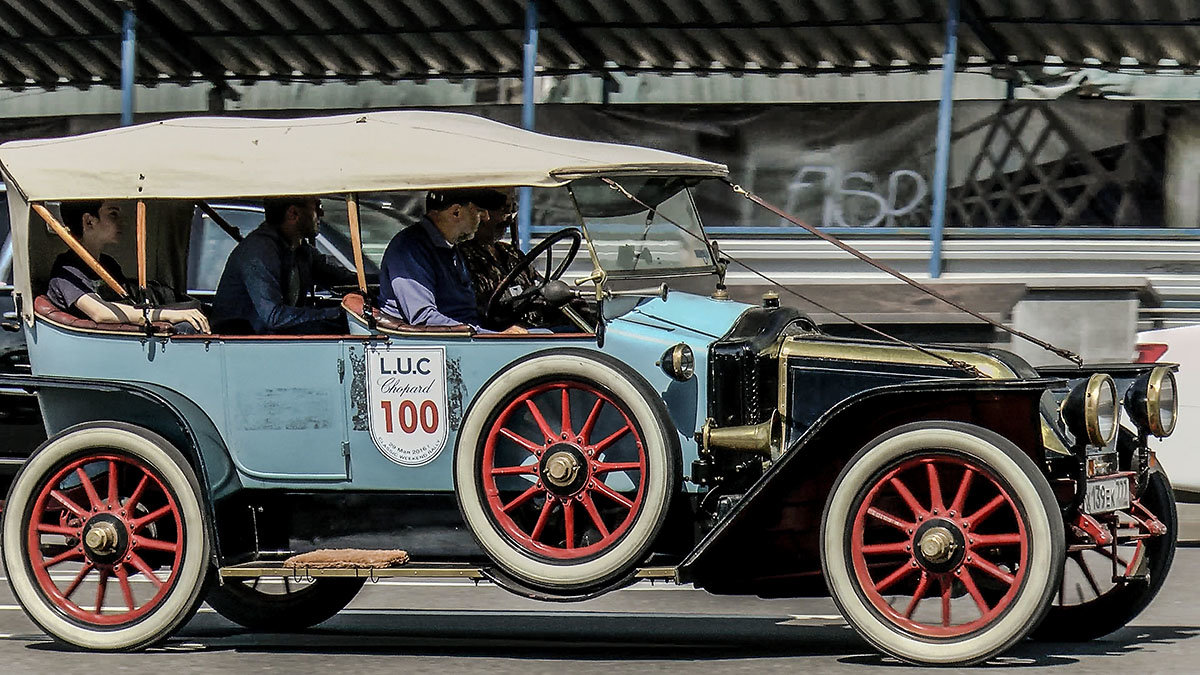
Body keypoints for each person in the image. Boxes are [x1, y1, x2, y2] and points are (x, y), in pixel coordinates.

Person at [47, 200, 210, 332]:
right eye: (113, 214)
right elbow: (100, 313)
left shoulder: (108, 264)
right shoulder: (67, 271)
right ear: (89, 221)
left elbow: (128, 303)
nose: (121, 221)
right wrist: (168, 315)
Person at [379, 189, 526, 334]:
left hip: (467, 337)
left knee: (542, 332)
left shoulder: (450, 246)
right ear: (456, 212)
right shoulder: (410, 248)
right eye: (479, 211)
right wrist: (491, 336)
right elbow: (423, 318)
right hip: (450, 342)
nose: (486, 217)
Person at [211, 196, 357, 334]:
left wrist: (377, 282)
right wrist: (340, 313)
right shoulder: (260, 250)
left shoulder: (299, 249)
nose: (321, 213)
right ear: (293, 213)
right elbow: (274, 317)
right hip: (243, 346)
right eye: (317, 206)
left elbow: (338, 277)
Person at [458, 188, 547, 330]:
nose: (508, 218)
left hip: (536, 324)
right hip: (502, 334)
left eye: (512, 208)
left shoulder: (511, 253)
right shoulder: (461, 258)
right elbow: (481, 310)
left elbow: (541, 284)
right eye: (503, 208)